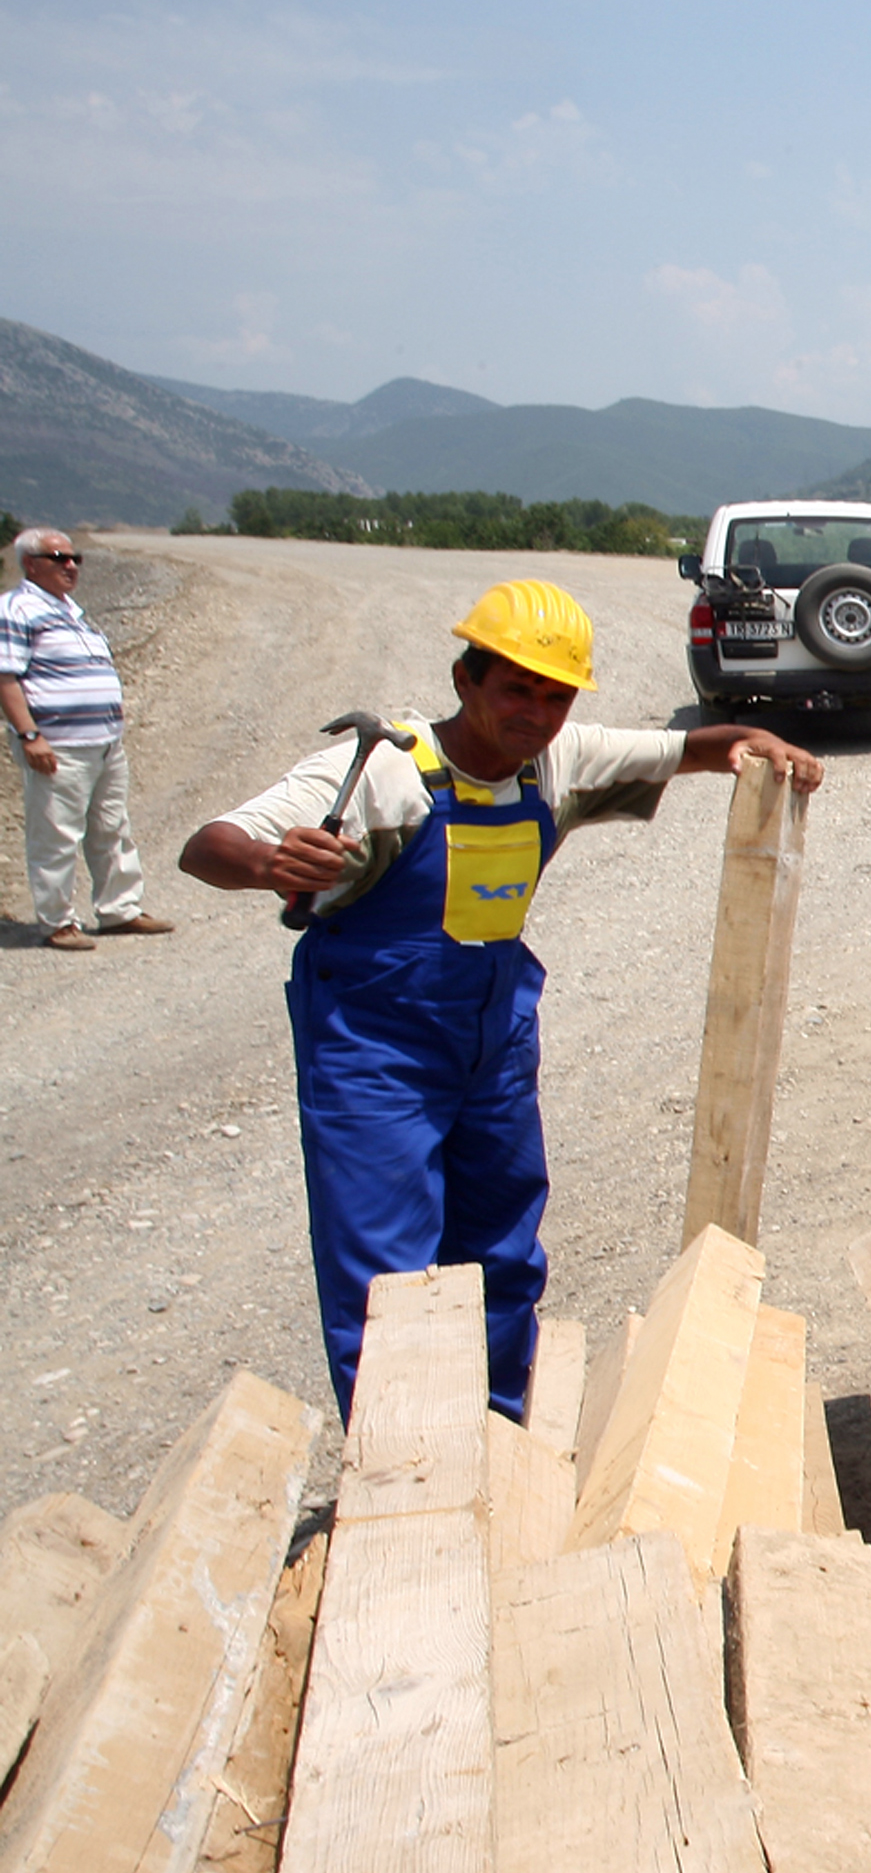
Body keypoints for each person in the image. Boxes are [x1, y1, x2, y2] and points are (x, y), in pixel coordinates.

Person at [179, 579, 824, 1422]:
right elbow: (208, 846)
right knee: (387, 1272)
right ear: (465, 680)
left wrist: (760, 741)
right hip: (375, 1047)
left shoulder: (556, 760)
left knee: (502, 1251)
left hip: (494, 1043)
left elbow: (694, 749)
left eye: (555, 696)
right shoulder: (381, 771)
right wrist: (266, 864)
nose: (537, 712)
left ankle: (496, 1438)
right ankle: (403, 1477)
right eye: (517, 688)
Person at [4, 528, 170, 949]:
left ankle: (120, 910)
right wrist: (29, 735)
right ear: (30, 563)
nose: (71, 565)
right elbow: (6, 677)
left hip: (105, 743)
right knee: (56, 834)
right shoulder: (16, 609)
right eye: (59, 557)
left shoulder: (71, 611)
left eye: (75, 557)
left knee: (112, 828)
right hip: (58, 746)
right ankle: (57, 922)